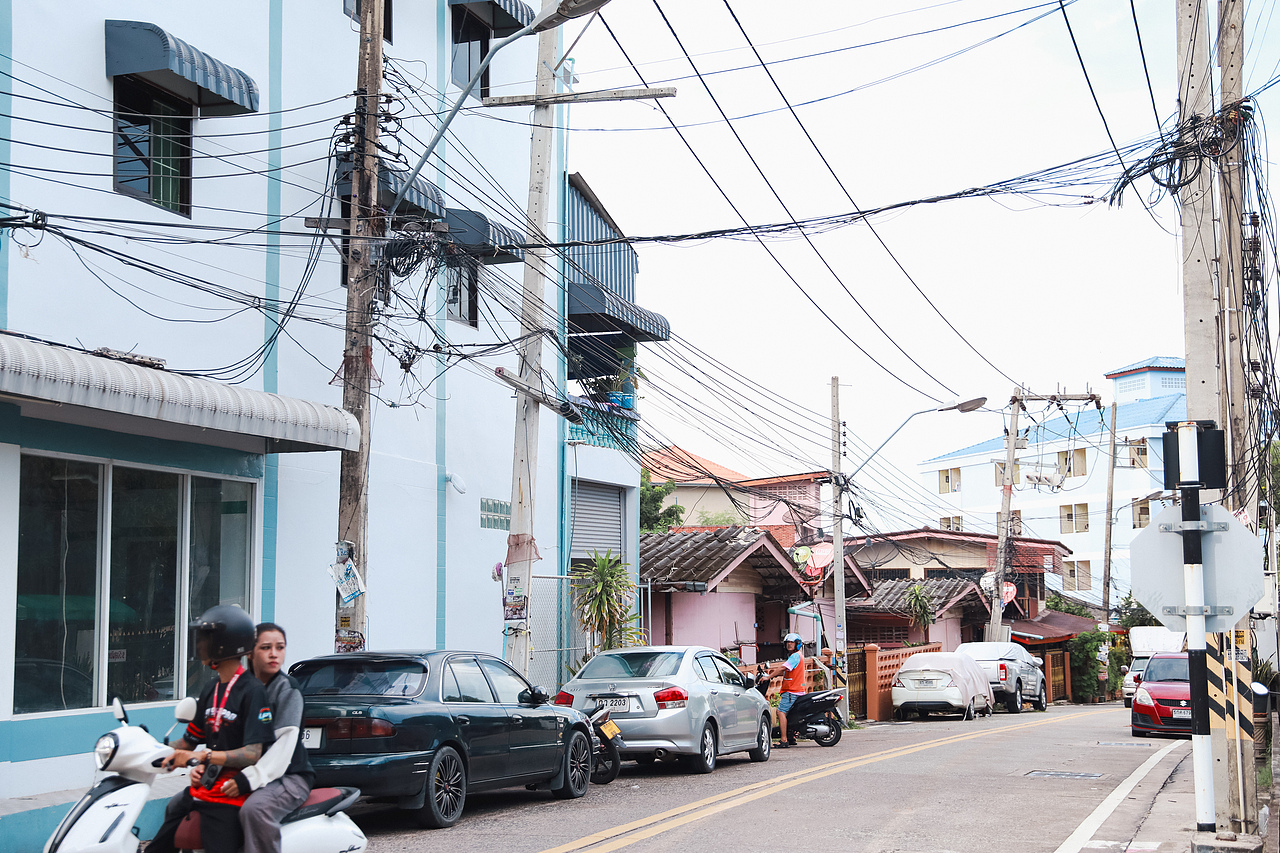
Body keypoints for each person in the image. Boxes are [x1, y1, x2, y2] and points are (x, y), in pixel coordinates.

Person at [149, 605, 273, 853]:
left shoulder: (253, 691)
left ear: (226, 644)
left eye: (206, 638)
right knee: (157, 847)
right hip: (203, 787)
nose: (200, 644)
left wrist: (202, 757)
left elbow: (252, 754)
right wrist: (151, 747)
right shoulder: (211, 688)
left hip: (231, 794)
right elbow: (188, 742)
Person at [233, 623, 315, 853]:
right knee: (186, 802)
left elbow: (283, 747)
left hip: (289, 776)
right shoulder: (239, 688)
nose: (274, 654)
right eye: (266, 647)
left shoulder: (287, 689)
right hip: (248, 771)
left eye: (280, 647)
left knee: (255, 809)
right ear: (250, 653)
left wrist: (249, 778)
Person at [766, 633, 806, 747]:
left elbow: (783, 668)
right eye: (787, 642)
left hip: (792, 690)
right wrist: (775, 675)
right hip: (797, 689)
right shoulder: (797, 656)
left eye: (792, 642)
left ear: (797, 644)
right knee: (790, 714)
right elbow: (787, 671)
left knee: (780, 712)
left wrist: (768, 677)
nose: (789, 644)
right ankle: (790, 737)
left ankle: (784, 740)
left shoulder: (795, 656)